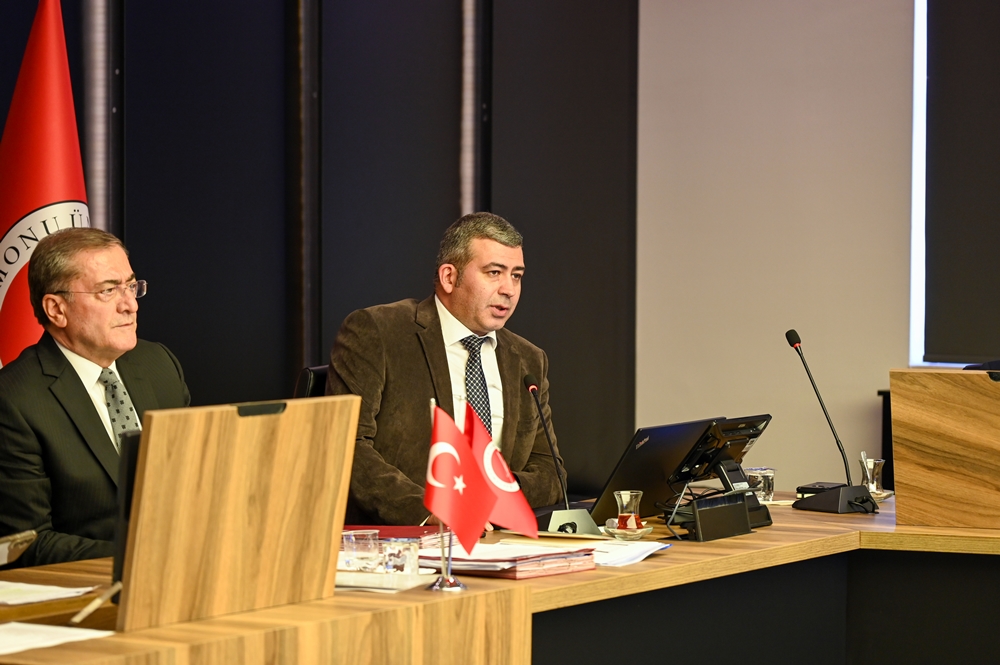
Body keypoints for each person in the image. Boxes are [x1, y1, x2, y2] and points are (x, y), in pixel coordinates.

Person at [327, 212, 565, 525]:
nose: (509, 289)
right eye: (494, 272)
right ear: (449, 277)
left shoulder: (528, 359)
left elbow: (550, 472)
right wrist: (430, 513)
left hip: (495, 537)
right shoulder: (379, 332)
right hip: (404, 538)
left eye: (517, 276)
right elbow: (347, 446)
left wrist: (492, 495)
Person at [0, 228, 190, 567]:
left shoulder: (158, 364)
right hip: (91, 585)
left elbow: (194, 479)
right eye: (108, 291)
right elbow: (26, 543)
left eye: (131, 286)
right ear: (56, 309)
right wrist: (146, 556)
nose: (130, 305)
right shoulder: (14, 399)